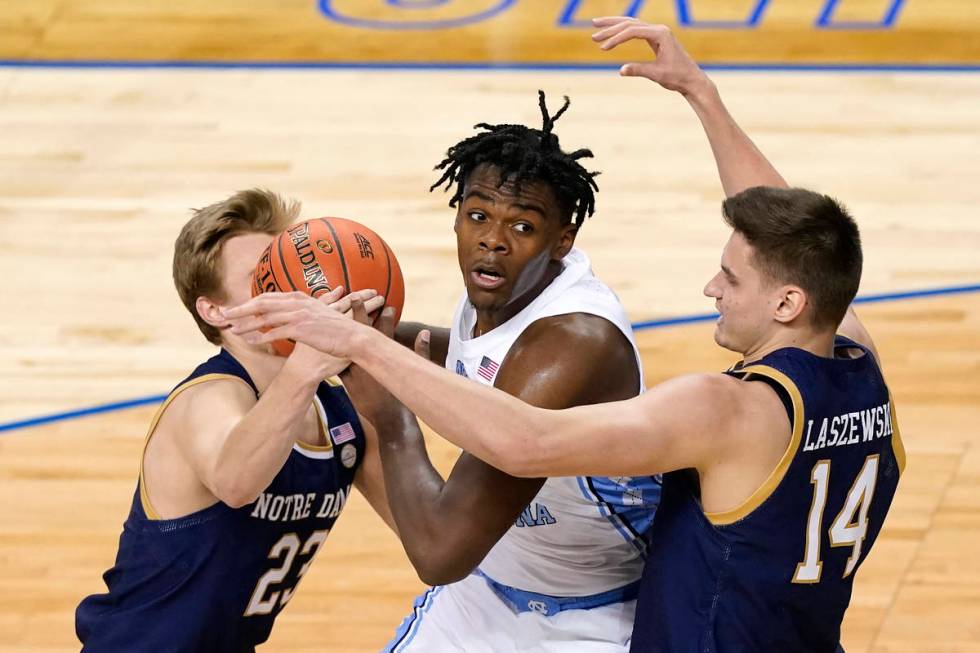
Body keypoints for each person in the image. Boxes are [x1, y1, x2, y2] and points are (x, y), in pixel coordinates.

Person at [226, 17, 905, 652]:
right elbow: (798, 240)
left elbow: (528, 442)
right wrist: (701, 94)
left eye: (730, 276)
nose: (710, 288)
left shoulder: (723, 408)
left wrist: (366, 354)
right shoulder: (857, 362)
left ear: (787, 302)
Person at [340, 90, 658, 652]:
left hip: (600, 613)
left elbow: (440, 552)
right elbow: (468, 360)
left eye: (523, 227)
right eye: (479, 215)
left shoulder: (571, 343)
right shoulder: (499, 292)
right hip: (486, 590)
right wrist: (363, 335)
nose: (493, 239)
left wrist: (390, 419)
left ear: (563, 240)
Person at [75, 189, 393, 652]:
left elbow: (425, 539)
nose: (288, 290)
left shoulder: (336, 408)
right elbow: (236, 481)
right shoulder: (207, 399)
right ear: (215, 310)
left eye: (288, 271)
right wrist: (307, 365)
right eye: (262, 278)